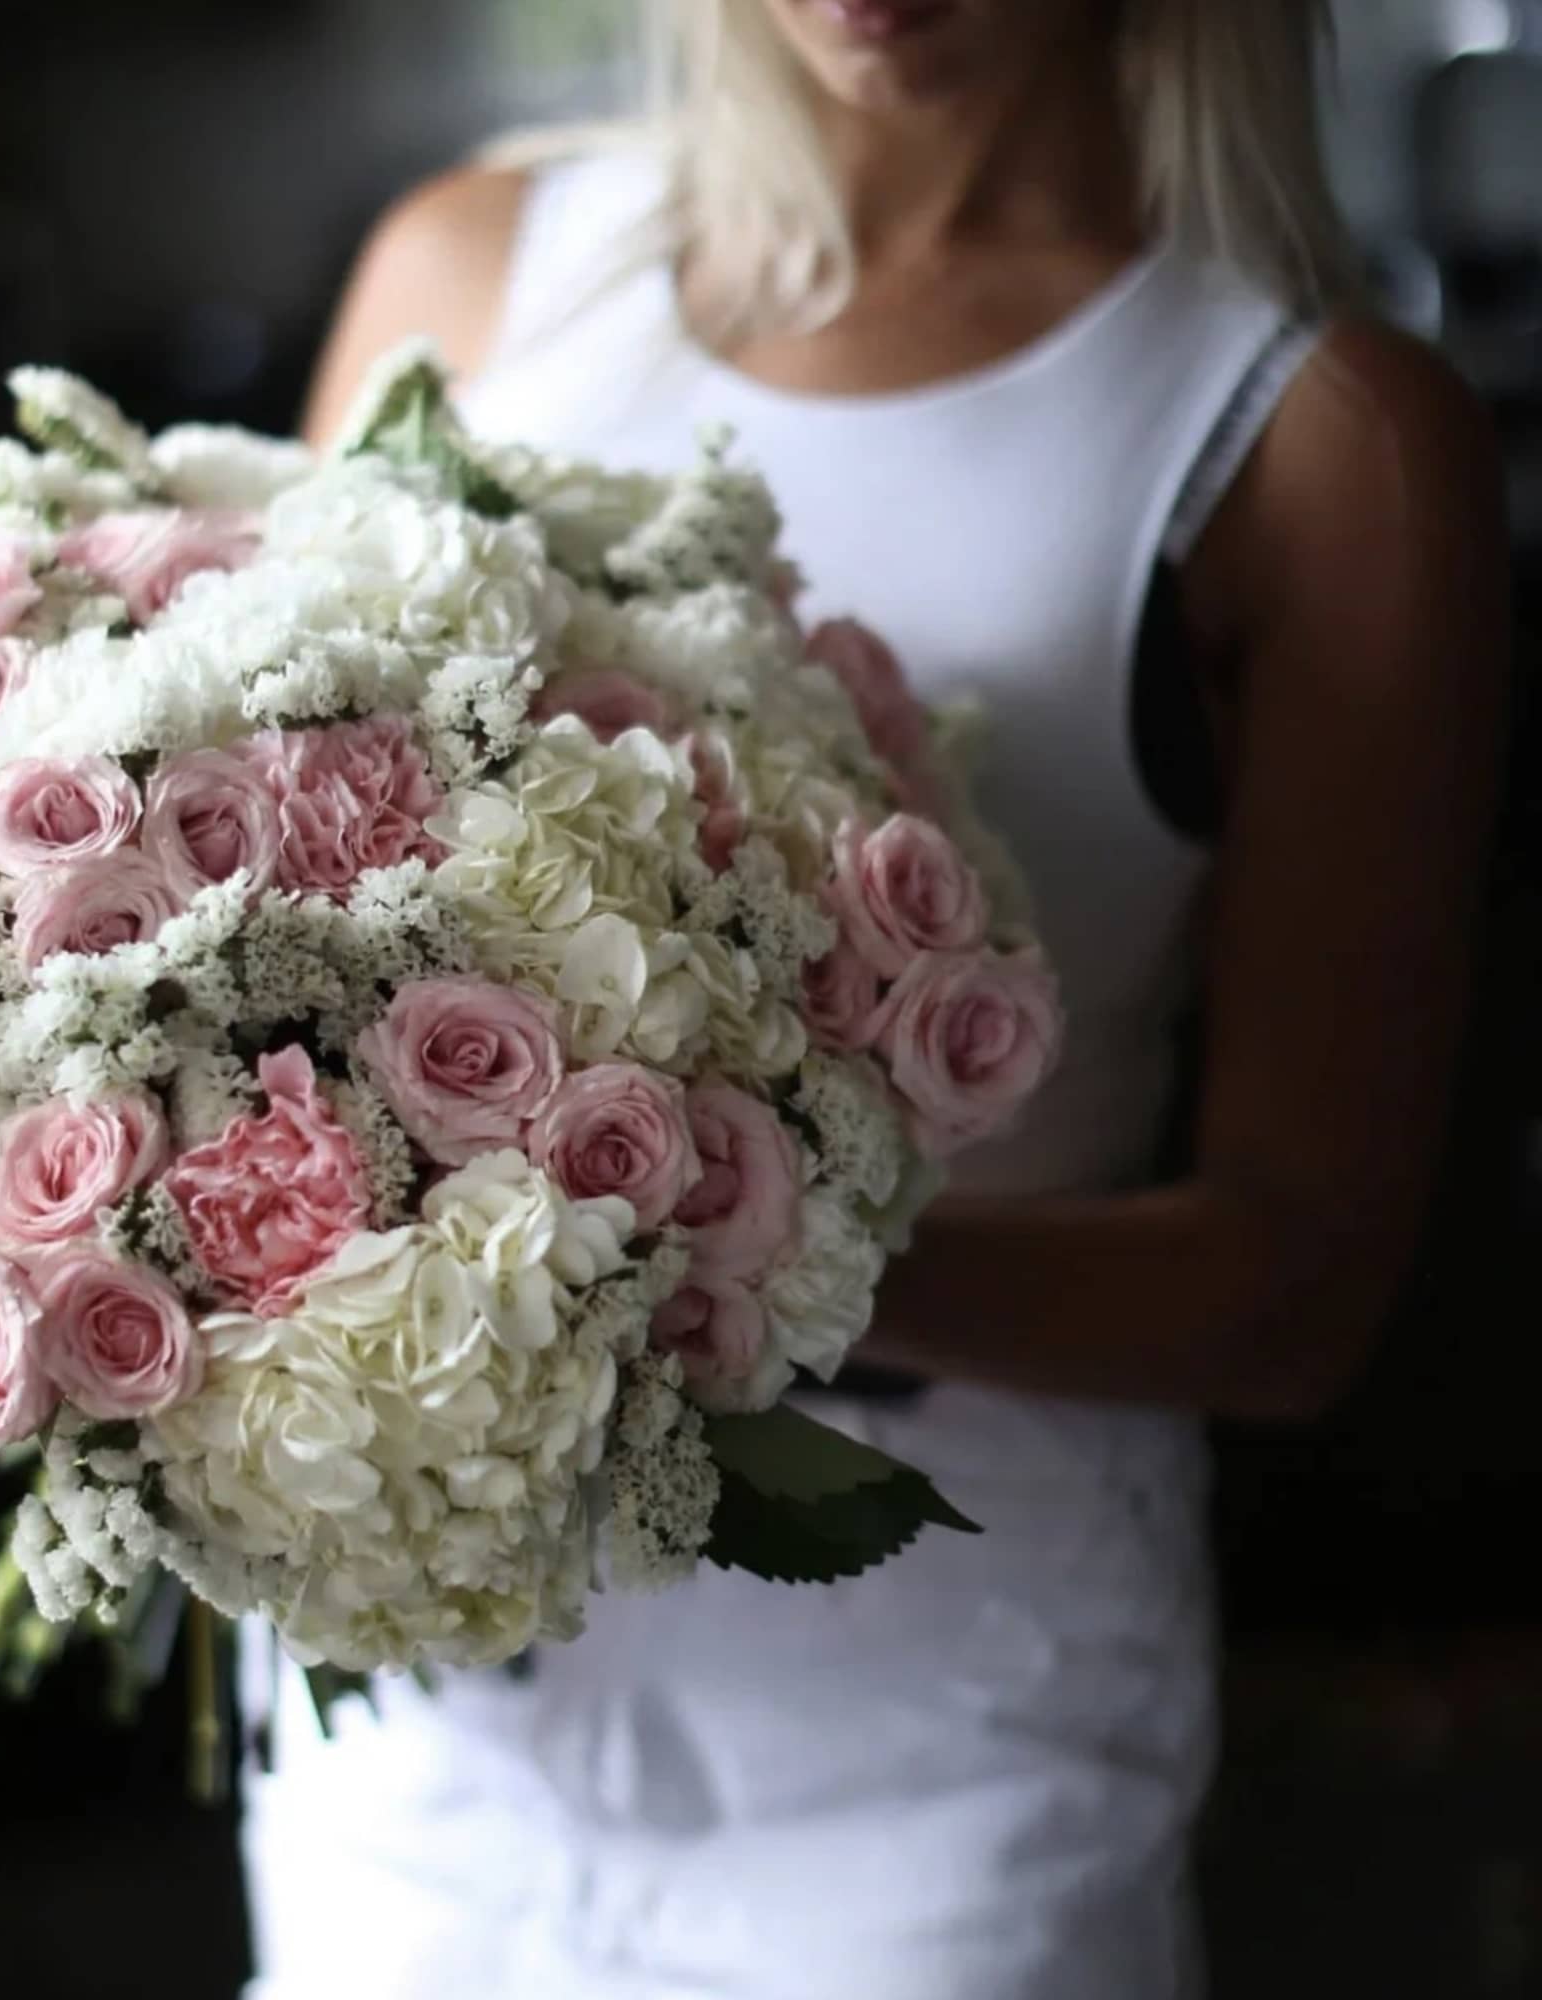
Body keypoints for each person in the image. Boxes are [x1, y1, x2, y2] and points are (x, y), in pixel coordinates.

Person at [244, 3, 1510, 1995]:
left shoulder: (1315, 441)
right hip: (421, 1733)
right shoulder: (475, 273)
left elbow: (1299, 1289)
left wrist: (715, 1253)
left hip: (942, 1732)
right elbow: (246, 905)